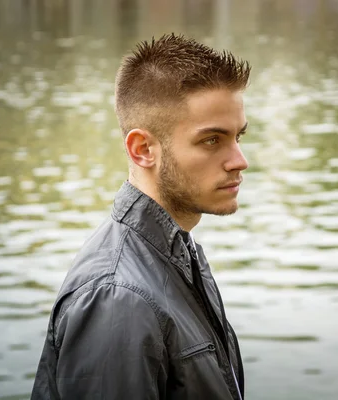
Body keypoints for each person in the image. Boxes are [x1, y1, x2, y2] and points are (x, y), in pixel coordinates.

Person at [31, 33, 251, 400]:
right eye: (212, 140)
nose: (239, 161)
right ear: (143, 149)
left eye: (238, 137)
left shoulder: (178, 255)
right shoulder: (119, 298)